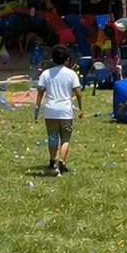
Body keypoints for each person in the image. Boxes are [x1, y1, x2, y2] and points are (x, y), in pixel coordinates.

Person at [35, 45, 83, 175]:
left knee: (52, 136)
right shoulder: (71, 74)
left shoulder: (46, 73)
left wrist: (37, 109)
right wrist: (80, 107)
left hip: (50, 110)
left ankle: (52, 161)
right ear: (67, 59)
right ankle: (61, 161)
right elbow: (78, 92)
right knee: (65, 139)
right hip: (65, 110)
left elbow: (40, 93)